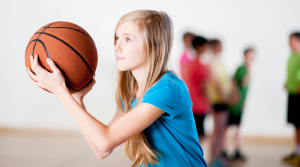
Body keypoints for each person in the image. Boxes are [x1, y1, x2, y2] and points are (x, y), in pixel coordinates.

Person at [26, 10, 208, 167]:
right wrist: (77, 101)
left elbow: (105, 141)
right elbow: (101, 150)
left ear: (155, 47)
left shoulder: (168, 88)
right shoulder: (130, 93)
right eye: (117, 38)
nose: (117, 46)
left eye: (128, 39)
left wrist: (61, 92)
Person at [223, 48, 255, 162]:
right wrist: (249, 69)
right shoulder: (242, 69)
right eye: (250, 56)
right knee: (227, 127)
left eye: (253, 56)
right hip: (235, 104)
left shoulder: (246, 69)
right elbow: (242, 82)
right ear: (245, 56)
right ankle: (224, 150)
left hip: (240, 104)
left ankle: (237, 150)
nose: (252, 59)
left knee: (237, 127)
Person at [206, 39, 232, 167]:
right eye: (220, 45)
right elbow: (215, 82)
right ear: (215, 47)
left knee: (221, 130)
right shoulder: (212, 63)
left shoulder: (220, 62)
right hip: (218, 100)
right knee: (217, 130)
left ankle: (219, 156)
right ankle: (213, 158)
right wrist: (224, 97)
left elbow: (225, 80)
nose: (222, 47)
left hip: (223, 100)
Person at [182, 36, 210, 143]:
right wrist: (208, 102)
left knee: (192, 133)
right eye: (205, 46)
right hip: (199, 103)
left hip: (189, 101)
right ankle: (194, 158)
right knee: (200, 135)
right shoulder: (201, 65)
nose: (207, 48)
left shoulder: (188, 64)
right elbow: (203, 86)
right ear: (199, 47)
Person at [282, 32, 300, 165]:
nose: (289, 43)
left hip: (299, 93)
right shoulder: (291, 56)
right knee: (295, 124)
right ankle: (297, 151)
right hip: (292, 93)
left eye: (291, 40)